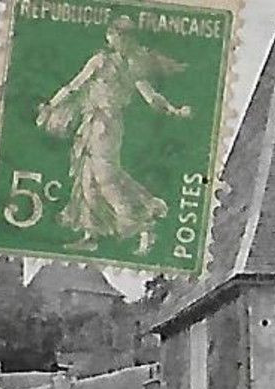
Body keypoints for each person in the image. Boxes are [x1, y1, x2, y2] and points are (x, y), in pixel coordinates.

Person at [35, 15, 192, 257]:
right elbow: (74, 86)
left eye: (123, 36)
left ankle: (144, 223)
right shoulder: (100, 61)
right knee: (86, 175)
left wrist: (174, 110)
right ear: (110, 36)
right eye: (116, 34)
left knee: (106, 178)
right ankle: (91, 234)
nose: (118, 39)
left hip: (107, 126)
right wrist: (50, 105)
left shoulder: (132, 67)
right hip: (91, 123)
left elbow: (150, 96)